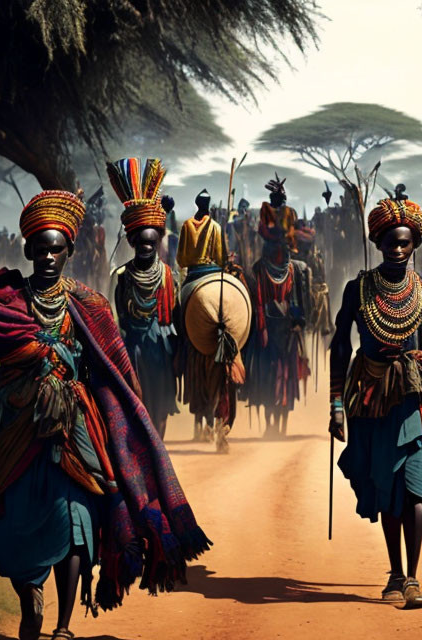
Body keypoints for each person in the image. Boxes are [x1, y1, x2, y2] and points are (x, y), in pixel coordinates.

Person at [0, 189, 210, 640]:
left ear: (70, 252)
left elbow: (112, 372)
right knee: (13, 525)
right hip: (14, 431)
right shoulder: (3, 306)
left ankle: (63, 629)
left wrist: (126, 427)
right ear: (28, 251)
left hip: (74, 432)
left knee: (77, 522)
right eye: (41, 250)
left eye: (57, 249)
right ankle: (28, 594)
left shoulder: (88, 305)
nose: (49, 257)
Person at [329, 194, 422, 608]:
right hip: (371, 400)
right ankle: (396, 572)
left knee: (417, 487)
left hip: (414, 399)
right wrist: (335, 403)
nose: (398, 250)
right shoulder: (358, 289)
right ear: (378, 243)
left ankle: (414, 579)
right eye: (390, 243)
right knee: (387, 486)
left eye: (405, 243)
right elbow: (339, 346)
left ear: (415, 244)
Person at [108, 158, 180, 439]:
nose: (146, 248)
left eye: (152, 243)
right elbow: (115, 320)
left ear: (159, 241)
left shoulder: (167, 275)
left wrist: (180, 351)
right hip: (131, 349)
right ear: (132, 243)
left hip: (160, 348)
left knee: (161, 404)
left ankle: (159, 444)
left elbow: (175, 315)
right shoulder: (121, 275)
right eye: (141, 244)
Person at [176, 189, 244, 451]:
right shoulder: (215, 226)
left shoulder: (185, 225)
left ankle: (182, 347)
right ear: (209, 205)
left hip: (193, 278)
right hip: (215, 274)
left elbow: (181, 259)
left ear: (196, 204)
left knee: (180, 314)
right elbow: (220, 255)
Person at [246, 177, 309, 437]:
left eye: (278, 197)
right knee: (269, 376)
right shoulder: (260, 269)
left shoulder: (293, 270)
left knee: (283, 376)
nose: (275, 201)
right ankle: (272, 424)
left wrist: (298, 319)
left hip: (285, 330)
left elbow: (297, 301)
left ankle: (280, 425)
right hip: (269, 330)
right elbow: (265, 230)